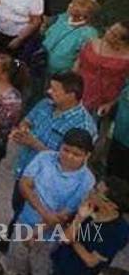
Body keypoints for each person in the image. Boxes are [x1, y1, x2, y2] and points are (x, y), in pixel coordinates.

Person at [7, 128, 97, 275]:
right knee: (16, 266)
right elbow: (24, 184)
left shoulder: (87, 180)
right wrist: (43, 212)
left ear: (87, 155)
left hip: (50, 236)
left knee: (40, 270)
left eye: (76, 154)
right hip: (25, 222)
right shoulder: (44, 157)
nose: (69, 156)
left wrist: (37, 232)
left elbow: (65, 213)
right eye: (66, 150)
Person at [8, 72, 97, 222]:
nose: (49, 91)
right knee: (17, 207)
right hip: (26, 168)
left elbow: (72, 161)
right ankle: (8, 238)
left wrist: (34, 143)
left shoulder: (84, 125)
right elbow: (27, 121)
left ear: (71, 95)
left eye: (55, 90)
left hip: (48, 185)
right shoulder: (45, 104)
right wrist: (22, 130)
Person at [51, 179, 129, 275]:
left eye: (96, 192)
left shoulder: (119, 231)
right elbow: (64, 238)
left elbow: (90, 261)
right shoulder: (88, 209)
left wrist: (73, 240)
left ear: (111, 205)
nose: (90, 192)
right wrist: (79, 218)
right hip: (59, 266)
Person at [42, 0, 100, 78]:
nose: (69, 5)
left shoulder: (88, 33)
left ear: (83, 13)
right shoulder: (62, 18)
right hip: (41, 63)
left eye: (73, 5)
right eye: (71, 3)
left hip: (61, 73)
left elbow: (83, 57)